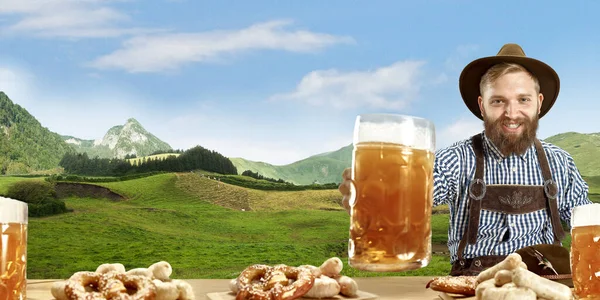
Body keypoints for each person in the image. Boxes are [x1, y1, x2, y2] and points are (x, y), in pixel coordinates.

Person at [338, 43, 592, 276]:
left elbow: (587, 220)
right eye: (498, 101)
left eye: (523, 100)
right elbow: (418, 193)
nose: (511, 113)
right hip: (472, 283)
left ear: (538, 103)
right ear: (482, 106)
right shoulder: (456, 159)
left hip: (547, 282)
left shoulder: (560, 162)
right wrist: (377, 197)